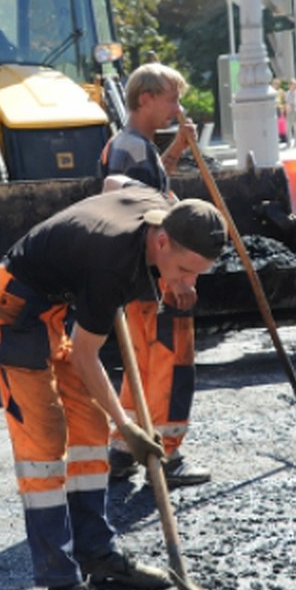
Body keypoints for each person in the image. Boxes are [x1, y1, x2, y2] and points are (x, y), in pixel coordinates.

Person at [0, 186, 228, 590]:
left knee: (88, 429)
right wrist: (128, 425)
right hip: (17, 306)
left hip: (55, 307)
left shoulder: (162, 210)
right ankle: (62, 588)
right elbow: (84, 354)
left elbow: (116, 183)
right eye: (184, 270)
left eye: (198, 275)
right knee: (44, 442)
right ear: (159, 241)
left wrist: (112, 422)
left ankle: (97, 553)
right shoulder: (111, 261)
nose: (187, 283)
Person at [98, 63, 209, 489]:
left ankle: (125, 447)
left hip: (134, 276)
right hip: (156, 274)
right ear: (145, 99)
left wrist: (178, 148)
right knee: (170, 362)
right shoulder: (134, 150)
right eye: (171, 100)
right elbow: (151, 216)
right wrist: (178, 278)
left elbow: (152, 188)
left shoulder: (127, 146)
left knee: (141, 364)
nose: (177, 109)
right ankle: (168, 452)